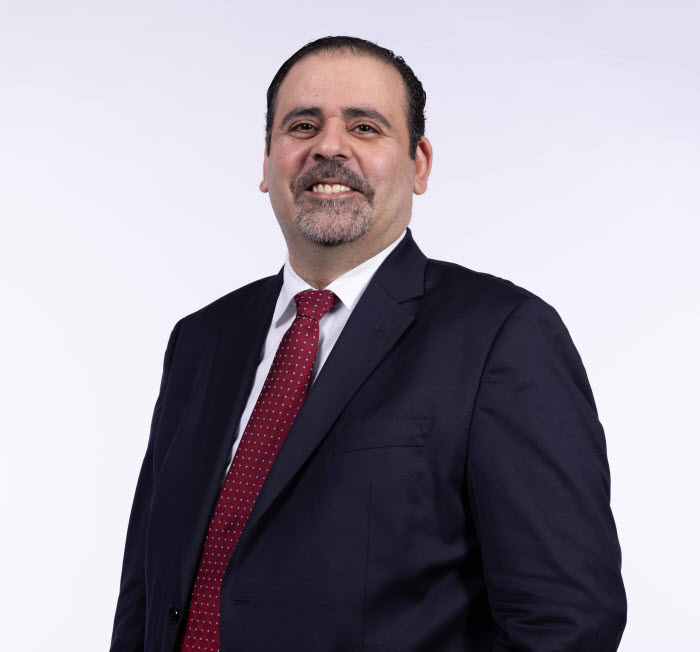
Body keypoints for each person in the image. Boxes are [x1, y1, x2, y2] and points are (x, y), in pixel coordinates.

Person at [109, 36, 627, 652]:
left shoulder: (501, 335)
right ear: (267, 162)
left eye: (365, 127)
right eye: (303, 126)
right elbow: (145, 594)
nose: (329, 147)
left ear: (419, 163)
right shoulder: (200, 341)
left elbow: (567, 623)